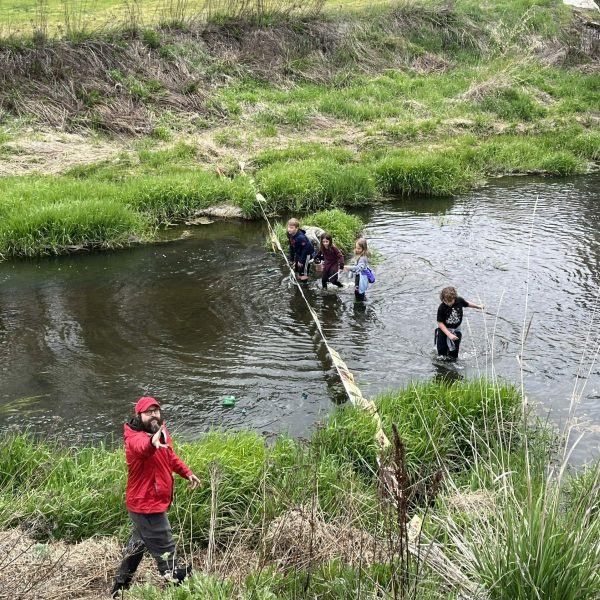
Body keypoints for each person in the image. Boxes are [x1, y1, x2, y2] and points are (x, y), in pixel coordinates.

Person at [111, 397, 201, 598]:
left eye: (156, 411)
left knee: (137, 545)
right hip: (146, 504)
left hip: (150, 502)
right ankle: (177, 582)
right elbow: (143, 448)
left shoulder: (161, 431)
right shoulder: (133, 438)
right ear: (139, 415)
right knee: (165, 545)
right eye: (148, 412)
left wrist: (186, 472)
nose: (153, 415)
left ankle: (119, 588)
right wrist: (152, 442)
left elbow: (170, 457)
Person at [435, 286, 484, 360]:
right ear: (442, 299)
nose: (448, 304)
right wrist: (449, 334)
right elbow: (440, 323)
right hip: (443, 330)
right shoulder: (442, 308)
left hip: (456, 330)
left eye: (450, 301)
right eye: (446, 301)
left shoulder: (459, 300)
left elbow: (467, 304)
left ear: (454, 297)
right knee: (441, 354)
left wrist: (478, 306)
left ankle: (452, 364)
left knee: (454, 355)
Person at [287, 218, 315, 282]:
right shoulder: (289, 234)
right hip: (299, 251)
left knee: (303, 270)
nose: (289, 229)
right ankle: (300, 275)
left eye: (291, 228)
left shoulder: (300, 237)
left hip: (308, 253)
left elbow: (306, 249)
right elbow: (291, 246)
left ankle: (305, 280)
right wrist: (291, 259)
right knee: (297, 268)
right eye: (288, 227)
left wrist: (301, 260)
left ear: (296, 228)